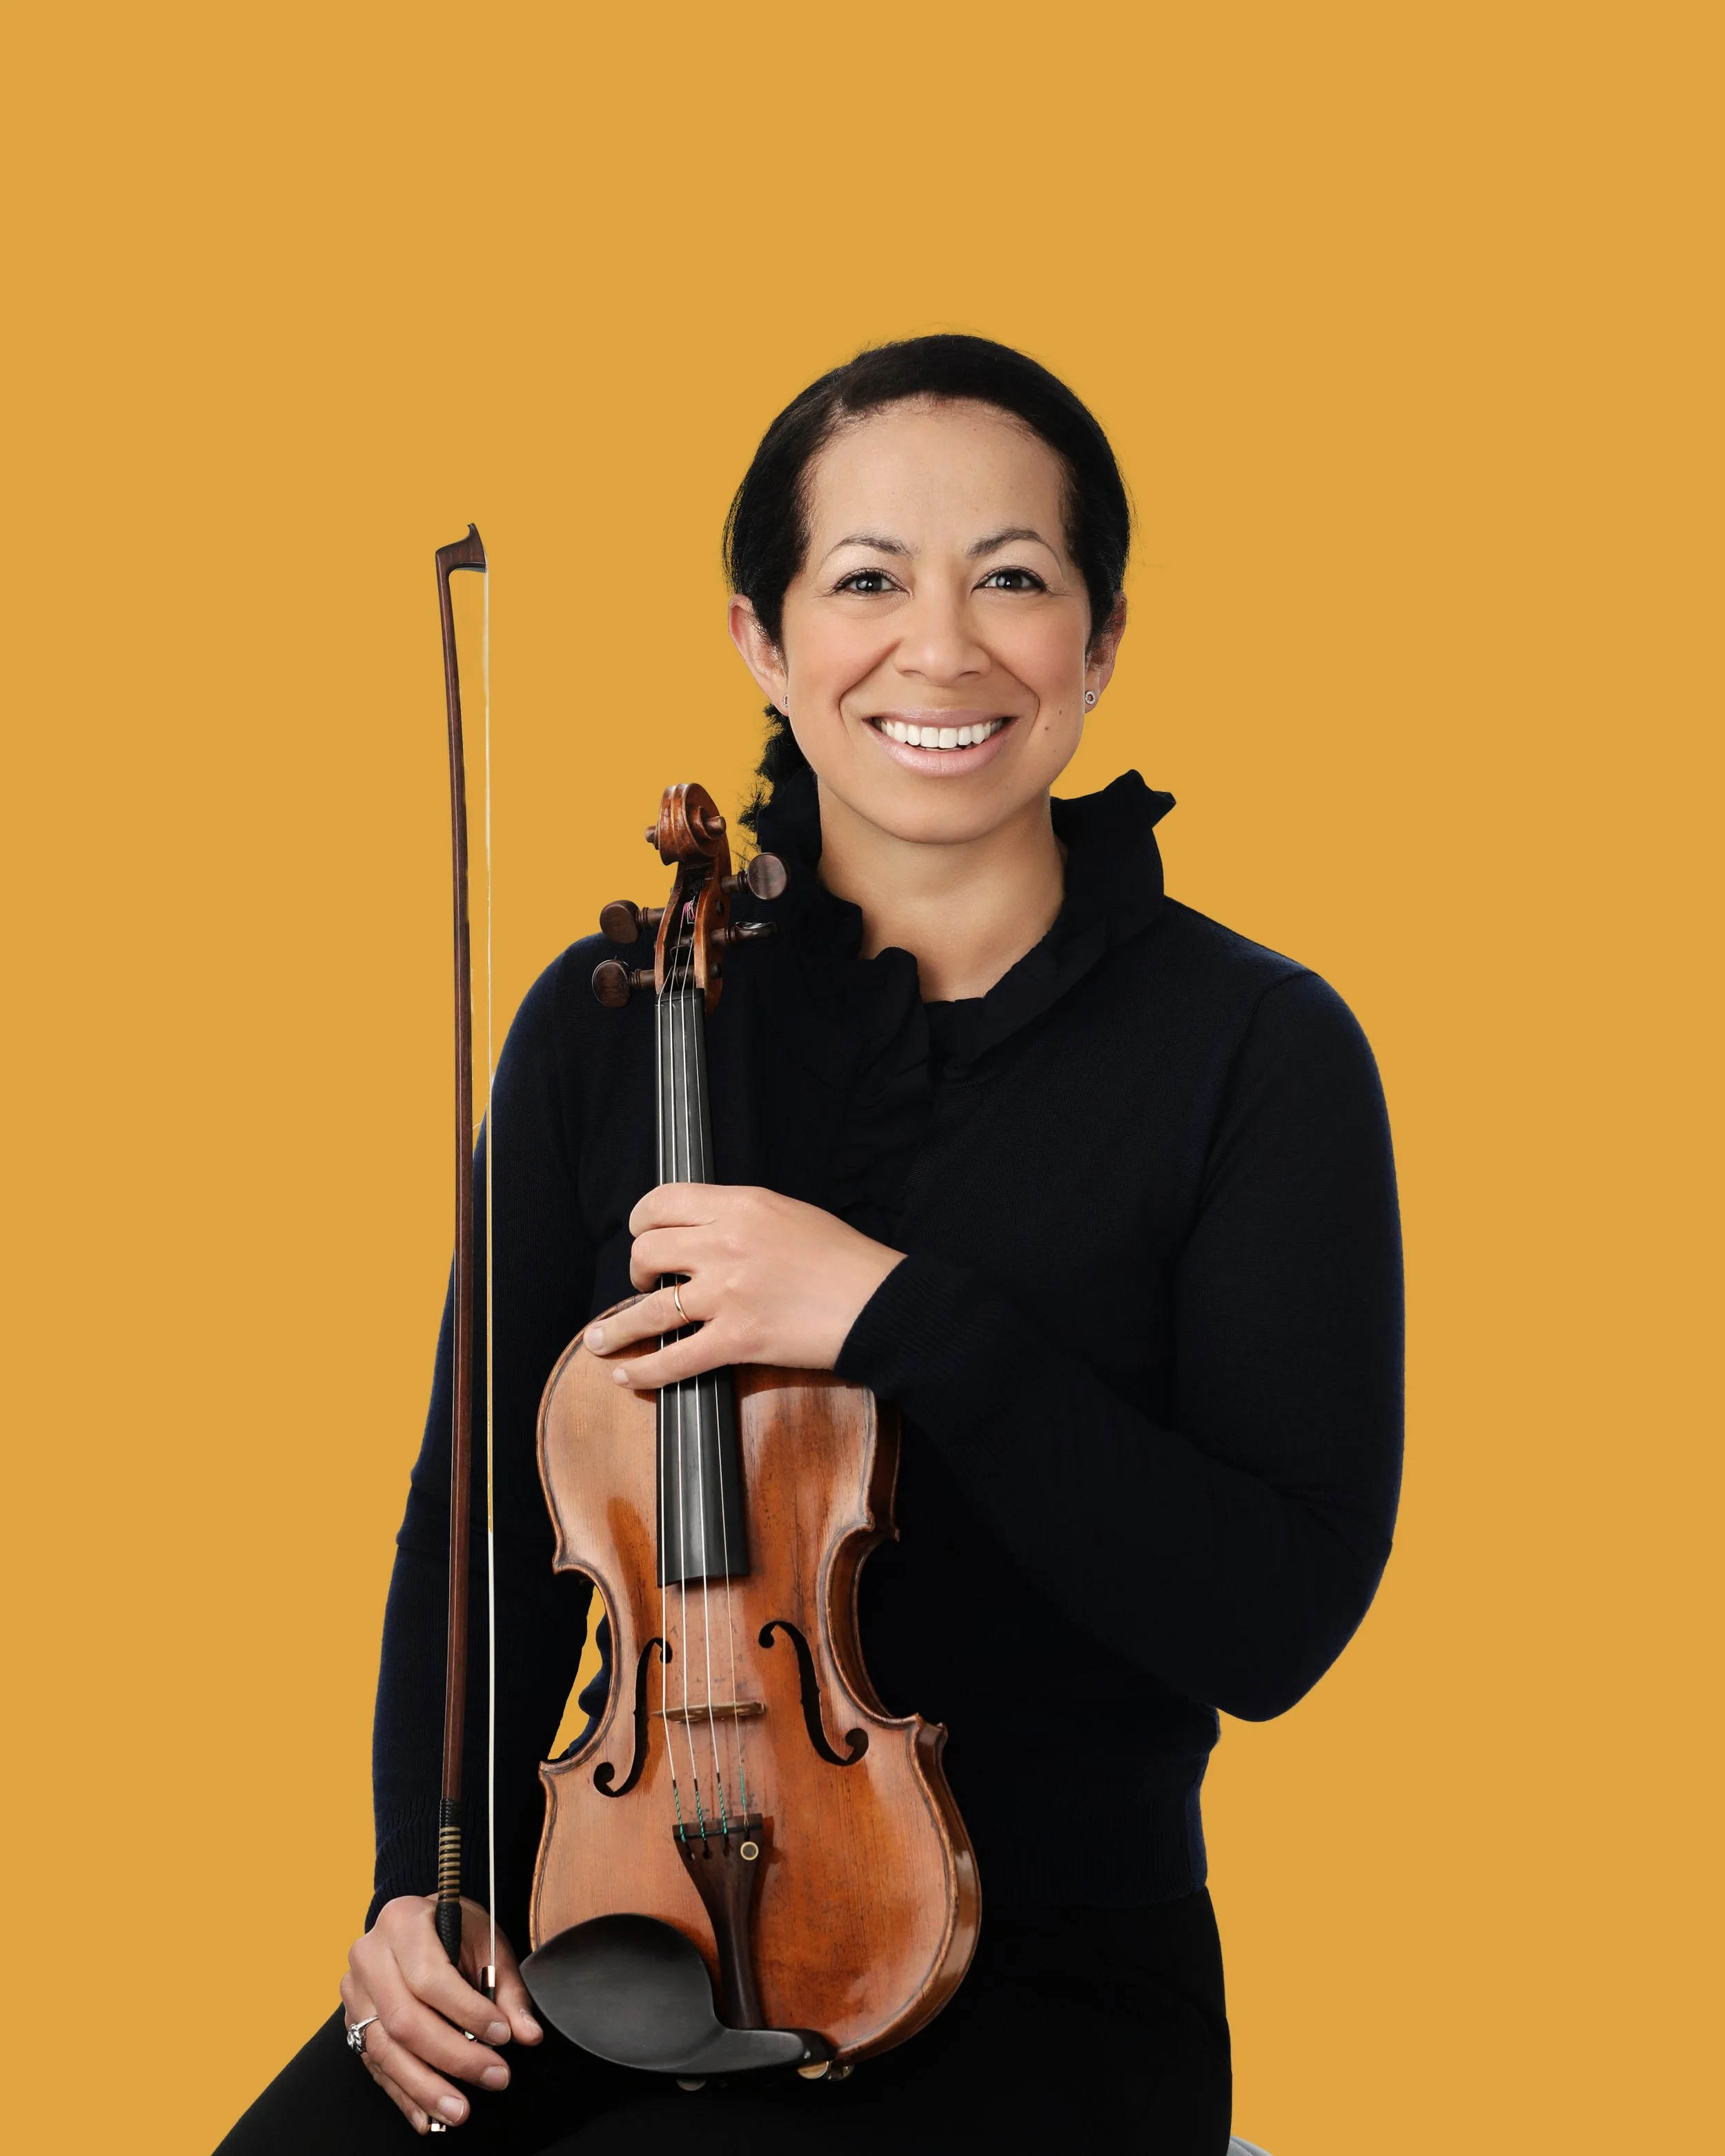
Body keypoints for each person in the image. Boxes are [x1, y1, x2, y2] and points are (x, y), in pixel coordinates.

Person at [219, 335, 1403, 2153]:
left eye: (1012, 578)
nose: (939, 648)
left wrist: (896, 1315)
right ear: (762, 642)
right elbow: (480, 1532)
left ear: (1099, 639)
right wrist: (422, 1884)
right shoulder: (614, 1021)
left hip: (1052, 1967)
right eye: (864, 581)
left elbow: (1273, 1618)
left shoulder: (1255, 1049)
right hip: (612, 1909)